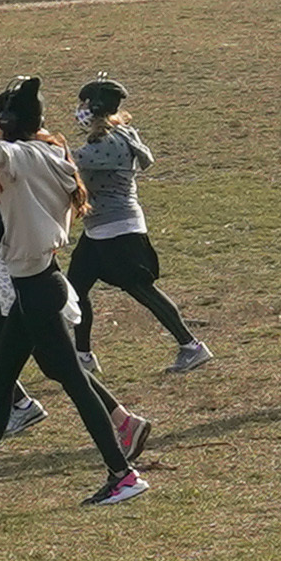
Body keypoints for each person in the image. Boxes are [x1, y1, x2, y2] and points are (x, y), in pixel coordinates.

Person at [0, 82, 154, 508]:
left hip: (35, 289)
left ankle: (122, 475)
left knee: (74, 384)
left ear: (10, 123)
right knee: (2, 381)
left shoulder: (23, 157)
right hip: (37, 284)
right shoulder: (50, 154)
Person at [64, 77, 210, 368]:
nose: (79, 110)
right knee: (77, 289)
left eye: (83, 105)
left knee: (141, 289)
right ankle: (83, 356)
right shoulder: (117, 135)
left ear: (95, 108)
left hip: (118, 231)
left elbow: (67, 163)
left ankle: (191, 346)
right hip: (99, 231)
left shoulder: (109, 143)